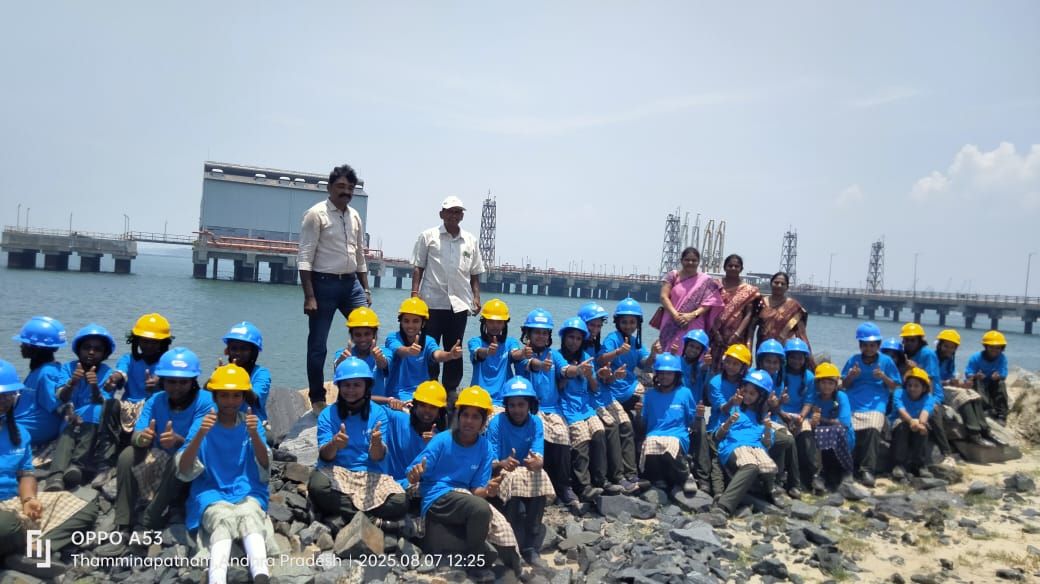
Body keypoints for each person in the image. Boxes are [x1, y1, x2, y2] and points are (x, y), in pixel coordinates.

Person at [97, 347, 214, 557]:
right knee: (127, 455)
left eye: (183, 382)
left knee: (180, 458)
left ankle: (149, 521)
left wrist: (177, 440)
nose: (176, 387)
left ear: (193, 381)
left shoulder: (205, 401)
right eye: (171, 381)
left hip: (194, 466)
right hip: (162, 459)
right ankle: (123, 524)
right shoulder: (156, 400)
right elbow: (138, 432)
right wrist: (142, 438)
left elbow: (196, 442)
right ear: (163, 380)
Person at [406, 386, 520, 582]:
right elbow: (414, 472)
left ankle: (516, 567)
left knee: (498, 521)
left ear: (483, 421)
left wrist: (489, 490)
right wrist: (415, 475)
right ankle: (475, 561)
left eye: (475, 417)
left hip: (463, 498)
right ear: (458, 416)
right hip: (437, 495)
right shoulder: (442, 440)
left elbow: (477, 490)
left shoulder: (485, 447)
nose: (469, 421)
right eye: (465, 415)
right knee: (481, 509)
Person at [0, 360, 100, 580]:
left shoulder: (20, 433)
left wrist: (28, 500)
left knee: (85, 507)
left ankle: (35, 549)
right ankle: (26, 549)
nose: (4, 400)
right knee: (6, 524)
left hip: (12, 502)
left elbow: (26, 473)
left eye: (8, 395)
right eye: (0, 395)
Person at [176, 365, 273, 584]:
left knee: (251, 516)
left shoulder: (251, 422)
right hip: (211, 490)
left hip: (246, 489)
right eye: (224, 396)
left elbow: (264, 464)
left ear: (244, 397)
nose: (230, 401)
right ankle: (217, 577)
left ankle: (261, 574)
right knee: (221, 521)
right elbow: (183, 467)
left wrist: (254, 435)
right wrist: (200, 434)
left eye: (236, 395)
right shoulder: (203, 423)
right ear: (215, 397)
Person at [299, 163, 372, 415]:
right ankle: (317, 397)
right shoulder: (315, 214)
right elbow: (305, 256)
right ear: (329, 187)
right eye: (340, 186)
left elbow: (360, 255)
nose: (345, 191)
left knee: (369, 333)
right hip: (323, 284)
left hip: (351, 284)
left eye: (350, 188)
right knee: (318, 344)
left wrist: (366, 289)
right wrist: (309, 296)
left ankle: (366, 390)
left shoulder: (355, 216)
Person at [308, 358, 407, 531]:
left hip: (370, 473)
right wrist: (334, 444)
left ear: (366, 386)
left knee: (400, 501)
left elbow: (377, 457)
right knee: (317, 486)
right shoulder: (327, 414)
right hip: (336, 471)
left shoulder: (378, 413)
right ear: (339, 386)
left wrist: (376, 444)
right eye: (346, 385)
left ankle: (346, 514)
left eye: (357, 385)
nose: (351, 390)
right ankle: (373, 520)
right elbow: (325, 456)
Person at [411, 196, 485, 405]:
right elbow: (418, 267)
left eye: (458, 211)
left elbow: (475, 273)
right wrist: (414, 294)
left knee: (455, 348)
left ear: (462, 216)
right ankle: (429, 387)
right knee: (430, 347)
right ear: (441, 214)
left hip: (459, 304)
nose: (454, 215)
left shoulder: (470, 240)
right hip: (431, 303)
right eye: (450, 211)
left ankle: (451, 391)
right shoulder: (428, 236)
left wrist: (476, 297)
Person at [486, 377, 554, 569]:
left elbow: (538, 455)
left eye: (521, 405)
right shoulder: (497, 423)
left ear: (529, 404)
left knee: (540, 475)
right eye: (512, 405)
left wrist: (537, 462)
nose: (517, 410)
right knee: (514, 478)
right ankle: (514, 543)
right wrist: (503, 462)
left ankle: (530, 544)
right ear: (506, 406)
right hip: (500, 474)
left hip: (525, 472)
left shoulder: (536, 422)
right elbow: (490, 460)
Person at [45, 324, 118, 491]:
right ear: (79, 349)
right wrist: (72, 382)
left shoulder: (107, 373)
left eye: (97, 349)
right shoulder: (68, 368)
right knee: (68, 431)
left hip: (93, 422)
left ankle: (76, 465)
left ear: (105, 353)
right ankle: (55, 477)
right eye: (87, 348)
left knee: (95, 410)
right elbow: (61, 396)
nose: (91, 352)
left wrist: (94, 386)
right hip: (70, 416)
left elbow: (102, 402)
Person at [596, 298, 656, 495]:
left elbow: (644, 364)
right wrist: (617, 352)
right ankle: (625, 473)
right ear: (617, 322)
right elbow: (601, 359)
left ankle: (637, 469)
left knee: (646, 411)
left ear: (637, 323)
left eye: (632, 322)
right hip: (614, 389)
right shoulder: (612, 338)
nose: (628, 326)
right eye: (624, 322)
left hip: (629, 387)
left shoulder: (636, 341)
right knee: (626, 424)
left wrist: (653, 354)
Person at [517, 309, 575, 506]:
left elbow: (565, 369)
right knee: (539, 435)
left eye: (544, 333)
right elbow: (530, 364)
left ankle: (564, 487)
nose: (541, 336)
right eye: (537, 332)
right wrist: (541, 365)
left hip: (553, 408)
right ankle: (537, 487)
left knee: (562, 435)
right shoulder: (523, 353)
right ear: (528, 334)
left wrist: (577, 370)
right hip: (532, 409)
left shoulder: (554, 355)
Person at [553, 317, 608, 502]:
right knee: (581, 437)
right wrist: (573, 372)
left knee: (599, 432)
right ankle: (583, 485)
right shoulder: (557, 356)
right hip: (567, 407)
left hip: (585, 407)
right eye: (571, 337)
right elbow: (558, 384)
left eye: (578, 338)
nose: (574, 342)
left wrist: (590, 375)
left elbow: (595, 388)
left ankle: (600, 479)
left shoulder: (585, 356)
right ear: (564, 338)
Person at [841, 322, 901, 488]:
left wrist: (883, 377)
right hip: (854, 400)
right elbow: (843, 385)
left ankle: (867, 469)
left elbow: (895, 386)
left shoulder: (886, 361)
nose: (868, 349)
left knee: (873, 428)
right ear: (860, 345)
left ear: (878, 345)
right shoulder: (853, 360)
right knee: (846, 429)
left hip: (876, 401)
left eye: (872, 345)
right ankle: (847, 468)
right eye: (865, 345)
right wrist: (851, 376)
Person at [713, 369, 779, 517]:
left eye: (752, 394)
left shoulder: (765, 418)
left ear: (761, 397)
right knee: (751, 465)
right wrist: (729, 422)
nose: (747, 396)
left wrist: (767, 429)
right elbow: (718, 436)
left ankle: (767, 492)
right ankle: (724, 506)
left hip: (757, 449)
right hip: (734, 447)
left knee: (768, 467)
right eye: (746, 392)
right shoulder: (734, 409)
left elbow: (767, 444)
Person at [105, 313, 173, 449]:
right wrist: (114, 378)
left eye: (154, 342)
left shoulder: (167, 363)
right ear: (136, 341)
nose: (149, 346)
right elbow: (121, 371)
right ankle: (110, 447)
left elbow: (172, 381)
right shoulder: (128, 359)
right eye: (145, 341)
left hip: (153, 407)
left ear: (163, 343)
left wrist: (159, 382)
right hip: (128, 406)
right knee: (110, 404)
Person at [637, 353, 700, 498]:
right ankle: (659, 479)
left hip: (678, 435)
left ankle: (686, 475)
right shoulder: (649, 395)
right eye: (661, 373)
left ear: (676, 375)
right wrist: (638, 414)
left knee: (670, 444)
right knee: (650, 442)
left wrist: (699, 416)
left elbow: (691, 421)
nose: (665, 376)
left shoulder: (685, 393)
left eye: (669, 373)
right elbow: (643, 424)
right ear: (656, 375)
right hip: (655, 433)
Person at [385, 297, 463, 403]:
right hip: (397, 395)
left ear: (423, 323)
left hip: (422, 395)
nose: (410, 325)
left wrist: (450, 355)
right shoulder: (393, 338)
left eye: (415, 321)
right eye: (406, 321)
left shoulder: (428, 341)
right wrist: (409, 350)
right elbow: (399, 350)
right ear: (401, 322)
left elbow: (437, 354)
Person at [899, 323, 955, 466]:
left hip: (931, 394)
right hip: (910, 394)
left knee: (933, 413)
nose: (909, 343)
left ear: (919, 340)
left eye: (913, 340)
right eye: (906, 340)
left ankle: (947, 453)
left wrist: (929, 401)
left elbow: (929, 380)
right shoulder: (904, 354)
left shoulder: (927, 354)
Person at [935, 329, 1002, 447]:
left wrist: (961, 384)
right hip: (936, 390)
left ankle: (985, 430)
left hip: (946, 387)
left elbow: (952, 377)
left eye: (952, 347)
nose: (949, 350)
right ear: (940, 345)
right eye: (946, 346)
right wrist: (948, 382)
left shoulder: (949, 359)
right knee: (963, 397)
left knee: (973, 394)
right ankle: (973, 433)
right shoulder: (933, 358)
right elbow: (929, 380)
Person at [384, 380, 448, 499]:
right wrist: (389, 400)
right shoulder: (397, 418)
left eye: (433, 407)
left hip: (419, 489)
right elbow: (365, 402)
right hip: (390, 484)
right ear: (415, 405)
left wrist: (435, 445)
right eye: (423, 405)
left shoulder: (441, 438)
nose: (427, 411)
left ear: (439, 411)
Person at [705, 344, 753, 496]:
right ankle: (718, 491)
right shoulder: (716, 382)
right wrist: (732, 401)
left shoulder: (747, 382)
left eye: (736, 364)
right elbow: (722, 409)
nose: (731, 366)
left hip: (741, 425)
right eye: (729, 362)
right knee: (718, 454)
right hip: (718, 425)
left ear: (743, 366)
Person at [755, 339, 801, 499]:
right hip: (757, 419)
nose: (772, 366)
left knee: (789, 436)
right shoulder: (754, 377)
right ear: (760, 361)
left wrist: (780, 403)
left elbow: (774, 408)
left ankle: (792, 482)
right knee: (785, 440)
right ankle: (778, 480)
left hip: (771, 418)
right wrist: (770, 404)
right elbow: (752, 406)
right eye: (768, 361)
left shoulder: (778, 379)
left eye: (775, 362)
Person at [656, 247, 724, 354]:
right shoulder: (673, 276)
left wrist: (692, 315)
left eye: (694, 260)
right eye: (687, 260)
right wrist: (676, 316)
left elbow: (710, 303)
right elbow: (664, 297)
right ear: (681, 260)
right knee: (667, 351)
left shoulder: (706, 280)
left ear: (698, 262)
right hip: (672, 321)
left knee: (693, 353)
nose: (690, 263)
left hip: (694, 322)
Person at [11, 316, 66, 446]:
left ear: (37, 347)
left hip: (35, 428)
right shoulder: (39, 369)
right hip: (23, 421)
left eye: (24, 343)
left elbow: (57, 407)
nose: (21, 346)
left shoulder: (47, 372)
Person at [805, 363, 854, 492]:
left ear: (835, 384)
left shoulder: (841, 397)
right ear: (818, 384)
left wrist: (822, 419)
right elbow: (809, 420)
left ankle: (846, 471)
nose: (827, 386)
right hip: (820, 441)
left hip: (841, 438)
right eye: (823, 383)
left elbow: (843, 422)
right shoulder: (814, 399)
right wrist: (813, 421)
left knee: (833, 431)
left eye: (830, 383)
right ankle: (820, 474)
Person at [468, 299, 523, 410]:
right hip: (479, 399)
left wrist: (524, 353)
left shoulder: (510, 342)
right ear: (484, 322)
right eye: (491, 322)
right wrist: (487, 351)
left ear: (504, 324)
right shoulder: (475, 342)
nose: (495, 325)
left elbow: (515, 354)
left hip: (503, 400)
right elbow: (478, 352)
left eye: (499, 322)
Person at [334, 308, 394, 409]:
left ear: (374, 334)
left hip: (378, 407)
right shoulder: (342, 354)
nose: (363, 339)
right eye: (358, 335)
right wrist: (342, 363)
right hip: (350, 407)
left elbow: (383, 365)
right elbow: (337, 366)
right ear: (351, 336)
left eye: (367, 334)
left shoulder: (385, 352)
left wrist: (379, 359)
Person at [709, 254, 762, 369]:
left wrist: (737, 334)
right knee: (710, 366)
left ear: (741, 269)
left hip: (736, 337)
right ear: (724, 267)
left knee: (733, 367)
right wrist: (715, 332)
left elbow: (749, 314)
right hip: (714, 335)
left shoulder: (748, 290)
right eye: (730, 266)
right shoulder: (715, 285)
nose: (733, 268)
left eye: (736, 266)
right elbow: (708, 310)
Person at [781, 338, 816, 493]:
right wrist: (783, 415)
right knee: (784, 437)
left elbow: (809, 401)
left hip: (799, 414)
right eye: (793, 357)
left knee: (806, 435)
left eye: (800, 358)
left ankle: (809, 476)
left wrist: (801, 416)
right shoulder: (780, 373)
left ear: (805, 359)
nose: (796, 361)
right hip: (780, 413)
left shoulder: (809, 376)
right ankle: (784, 475)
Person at [679, 329, 712, 491]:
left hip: (695, 412)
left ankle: (703, 476)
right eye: (691, 346)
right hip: (678, 409)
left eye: (698, 348)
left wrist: (707, 366)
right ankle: (683, 470)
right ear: (685, 346)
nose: (693, 350)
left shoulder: (701, 368)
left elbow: (707, 381)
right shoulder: (676, 362)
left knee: (702, 434)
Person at [889, 367, 936, 481]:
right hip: (899, 421)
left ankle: (919, 465)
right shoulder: (899, 393)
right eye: (909, 385)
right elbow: (901, 411)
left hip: (917, 422)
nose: (912, 388)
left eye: (916, 386)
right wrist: (912, 422)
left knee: (923, 429)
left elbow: (925, 413)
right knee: (902, 426)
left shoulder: (928, 397)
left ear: (924, 388)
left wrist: (921, 424)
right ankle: (898, 465)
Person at [222, 322, 272, 425]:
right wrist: (215, 379)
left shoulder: (261, 373)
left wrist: (237, 377)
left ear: (253, 352)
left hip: (253, 425)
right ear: (228, 351)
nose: (238, 353)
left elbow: (253, 399)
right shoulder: (222, 372)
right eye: (234, 348)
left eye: (244, 349)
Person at [753, 272, 810, 353]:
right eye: (776, 283)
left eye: (783, 284)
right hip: (763, 350)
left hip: (783, 351)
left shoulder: (793, 307)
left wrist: (808, 355)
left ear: (787, 287)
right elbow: (751, 328)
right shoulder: (761, 303)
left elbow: (801, 335)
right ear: (771, 284)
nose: (779, 285)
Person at [965, 331, 1010, 424]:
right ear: (986, 346)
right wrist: (975, 375)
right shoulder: (976, 357)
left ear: (1002, 348)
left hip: (992, 388)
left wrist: (998, 376)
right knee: (976, 381)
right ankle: (986, 409)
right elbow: (968, 374)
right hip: (978, 388)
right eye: (991, 347)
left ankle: (1001, 414)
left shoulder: (1002, 358)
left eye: (998, 348)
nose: (994, 350)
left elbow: (1003, 374)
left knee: (1001, 383)